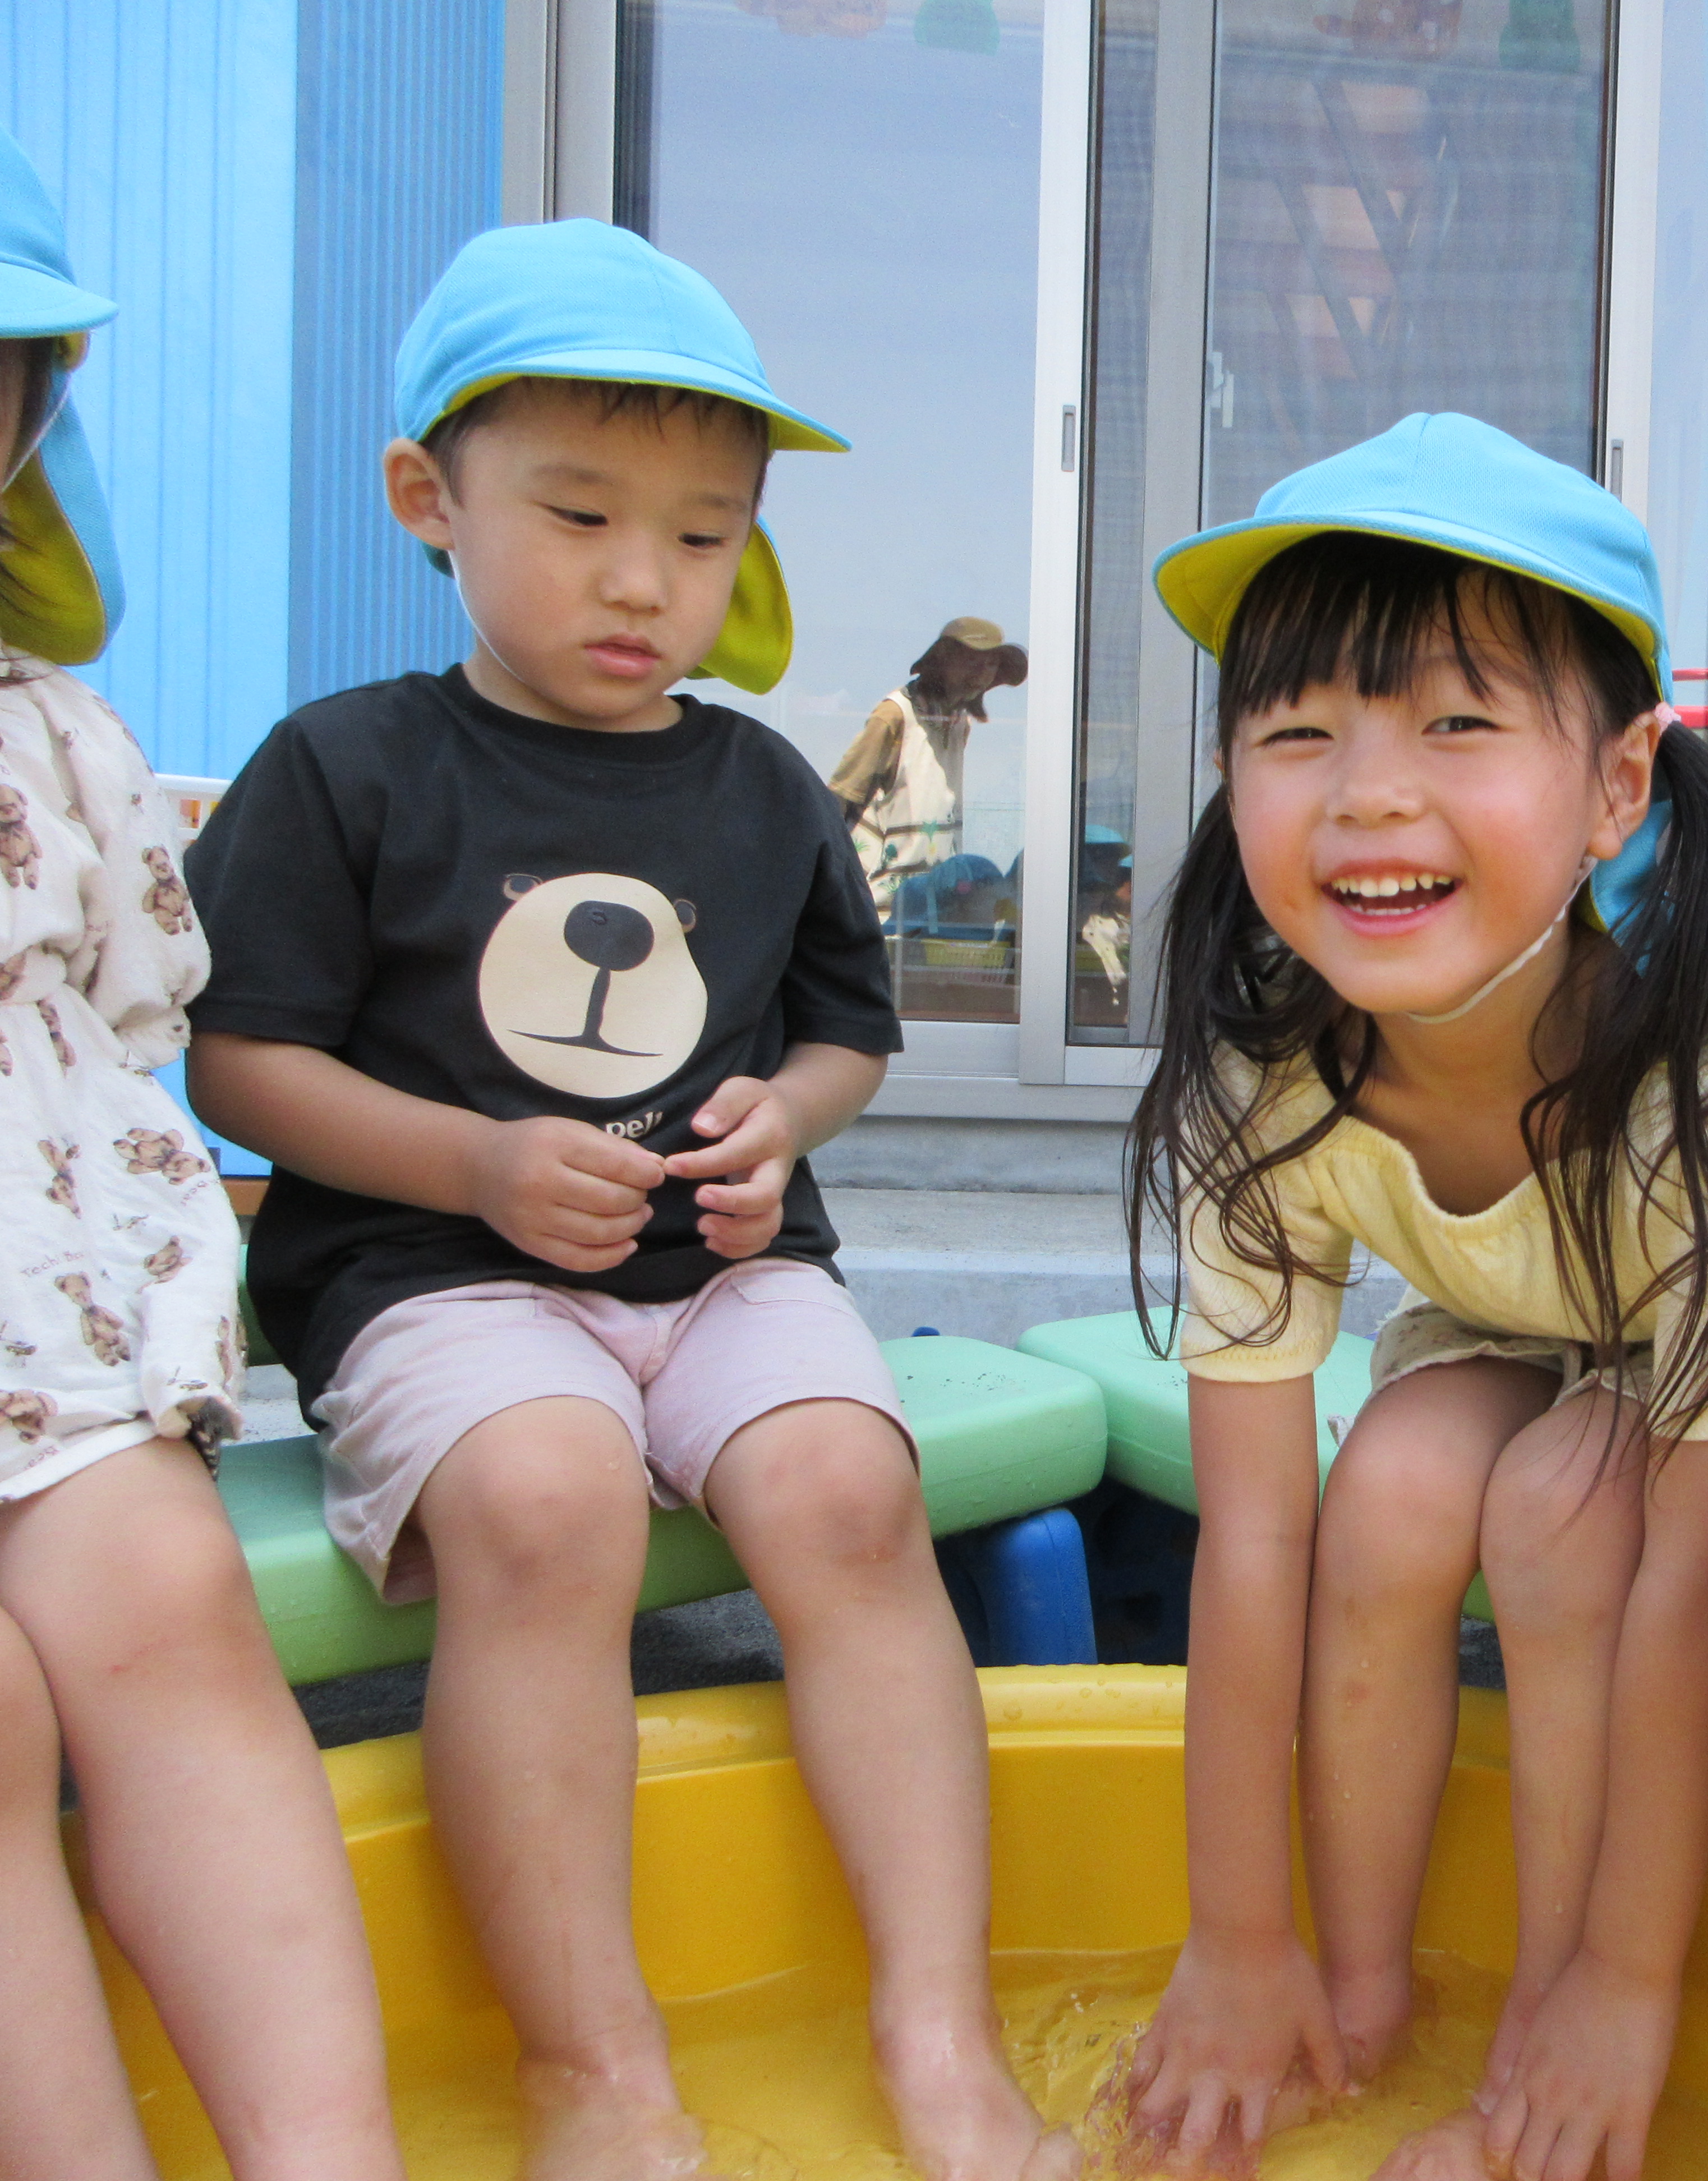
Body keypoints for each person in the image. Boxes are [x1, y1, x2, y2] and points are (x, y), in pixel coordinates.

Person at [183, 221, 1071, 2181]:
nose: (642, 579)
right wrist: (473, 1160)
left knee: (849, 1491)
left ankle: (938, 2023)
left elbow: (847, 1033)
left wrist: (783, 1118)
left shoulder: (760, 787)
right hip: (435, 1273)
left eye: (701, 535)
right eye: (580, 515)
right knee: (549, 1500)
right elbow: (236, 1059)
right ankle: (592, 2063)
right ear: (430, 497)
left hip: (724, 1268)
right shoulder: (346, 767)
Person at [1124, 412, 1708, 2181]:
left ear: (1617, 786)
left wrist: (1625, 1987)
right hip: (1537, 1316)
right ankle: (1361, 2002)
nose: (1369, 794)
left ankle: (1548, 2026)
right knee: (1391, 1488)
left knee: (1570, 1515)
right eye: (1298, 733)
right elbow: (1254, 1538)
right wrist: (1236, 1938)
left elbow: (1688, 1586)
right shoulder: (1265, 1084)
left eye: (1457, 722)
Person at [0, 128, 406, 2181]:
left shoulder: (48, 730)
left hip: (35, 1334)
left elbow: (138, 999)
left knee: (169, 1610)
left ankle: (328, 2155)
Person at [828, 614, 1028, 924]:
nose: (982, 675)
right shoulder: (896, 715)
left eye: (991, 665)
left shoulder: (959, 722)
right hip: (880, 910)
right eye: (972, 661)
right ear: (941, 660)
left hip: (937, 906)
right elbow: (839, 799)